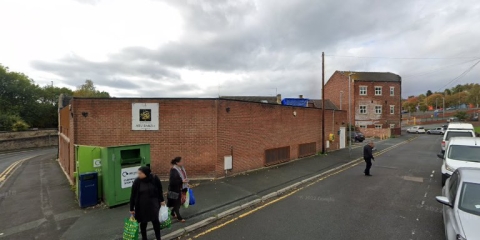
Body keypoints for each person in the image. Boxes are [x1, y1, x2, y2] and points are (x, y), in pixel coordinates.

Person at [129, 166, 165, 240]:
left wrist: (162, 200)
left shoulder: (155, 179)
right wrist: (131, 208)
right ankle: (144, 238)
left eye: (140, 173)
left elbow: (159, 190)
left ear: (146, 173)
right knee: (143, 223)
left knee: (155, 222)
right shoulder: (137, 181)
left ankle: (158, 238)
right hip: (142, 206)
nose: (138, 175)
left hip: (153, 205)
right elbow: (133, 195)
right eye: (138, 173)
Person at [167, 157, 188, 223]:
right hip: (175, 190)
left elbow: (184, 176)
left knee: (180, 203)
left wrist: (186, 183)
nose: (183, 162)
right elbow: (172, 182)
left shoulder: (182, 168)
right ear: (177, 163)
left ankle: (173, 212)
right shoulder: (174, 170)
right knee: (177, 203)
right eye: (181, 161)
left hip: (182, 188)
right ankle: (179, 217)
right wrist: (182, 181)